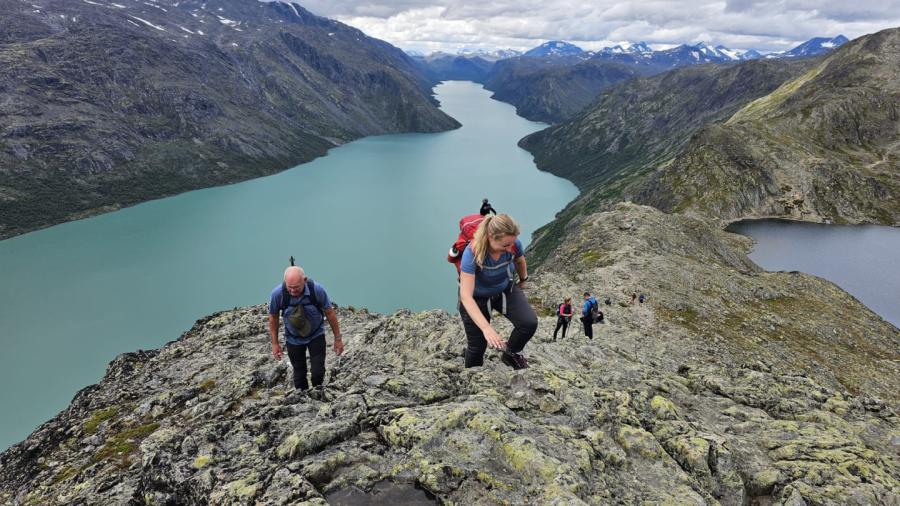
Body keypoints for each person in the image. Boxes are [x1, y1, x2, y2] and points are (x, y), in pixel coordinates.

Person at [458, 214, 536, 369]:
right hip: (477, 297)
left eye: (511, 244)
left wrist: (523, 280)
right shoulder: (472, 253)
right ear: (490, 237)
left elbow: (520, 260)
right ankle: (473, 380)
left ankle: (510, 354)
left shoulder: (513, 244)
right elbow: (466, 296)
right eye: (504, 246)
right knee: (477, 347)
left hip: (504, 289)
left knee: (528, 323)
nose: (509, 249)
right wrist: (486, 328)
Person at [268, 265, 344, 390]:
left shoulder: (316, 290)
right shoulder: (278, 294)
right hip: (293, 339)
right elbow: (273, 317)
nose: (292, 291)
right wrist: (275, 343)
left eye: (296, 287)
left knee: (318, 372)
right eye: (289, 287)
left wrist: (338, 339)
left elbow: (330, 313)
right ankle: (303, 399)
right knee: (299, 375)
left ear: (304, 280)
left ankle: (318, 394)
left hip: (316, 335)